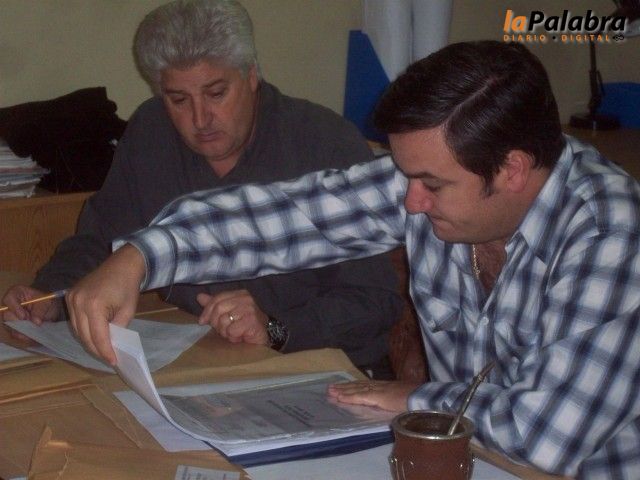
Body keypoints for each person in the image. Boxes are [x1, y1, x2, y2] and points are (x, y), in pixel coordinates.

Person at [63, 40, 640, 478]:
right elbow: (286, 216)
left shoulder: (611, 233)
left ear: (512, 169)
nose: (410, 203)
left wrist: (415, 399)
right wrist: (140, 256)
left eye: (432, 184)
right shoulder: (434, 179)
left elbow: (548, 438)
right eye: (406, 176)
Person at [0, 0, 402, 377]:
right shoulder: (152, 130)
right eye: (178, 99)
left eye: (216, 93)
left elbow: (375, 302)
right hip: (199, 357)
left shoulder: (324, 143)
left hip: (319, 367)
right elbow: (102, 239)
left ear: (251, 75)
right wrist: (50, 297)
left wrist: (274, 327)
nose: (200, 118)